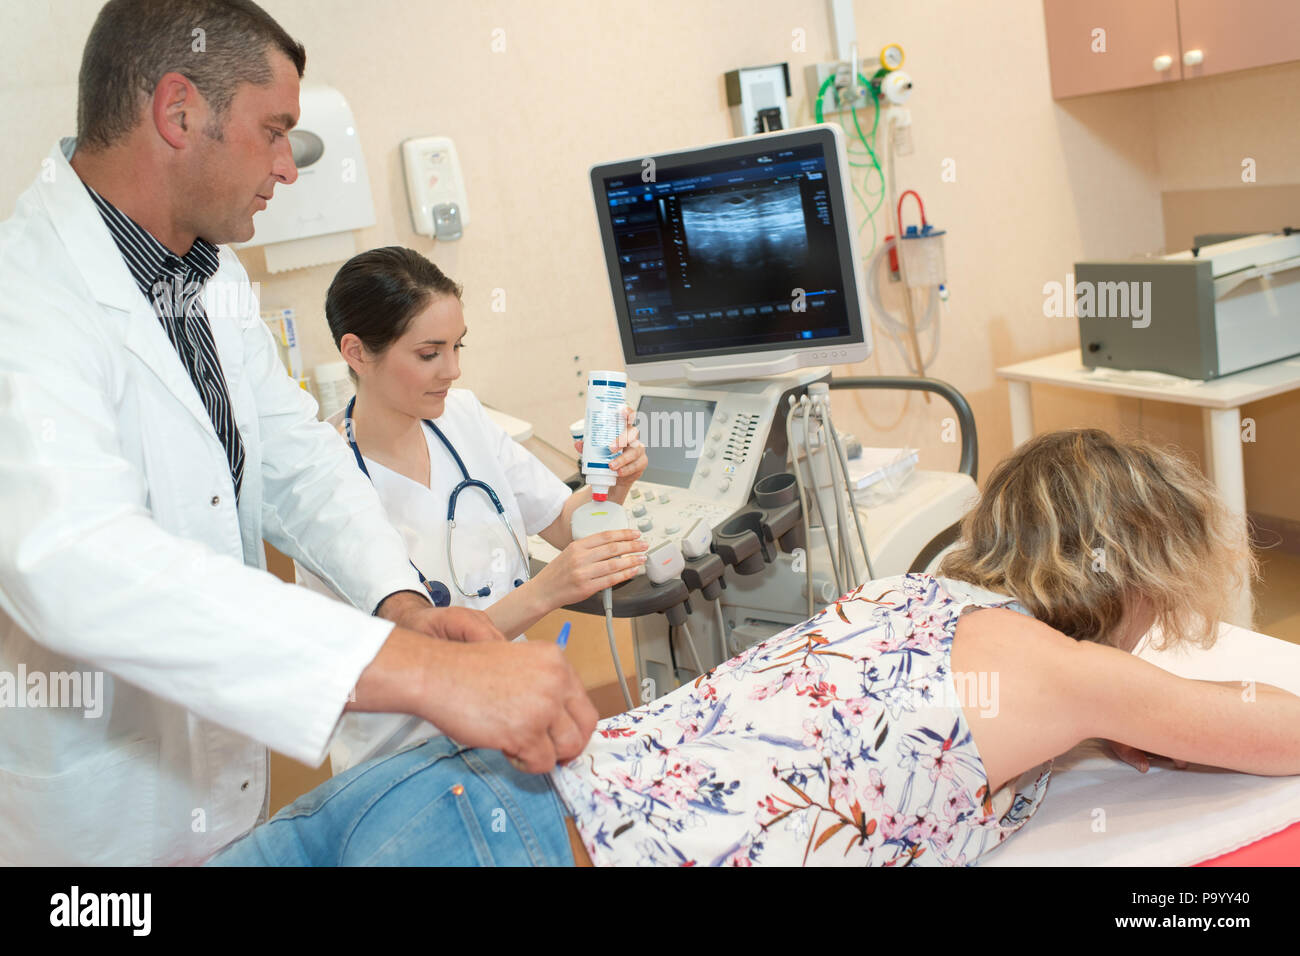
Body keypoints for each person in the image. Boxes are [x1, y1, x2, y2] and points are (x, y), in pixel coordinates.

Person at [0, 0, 593, 866]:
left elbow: (296, 461)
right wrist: (423, 676)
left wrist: (403, 610)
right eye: (274, 131)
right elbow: (73, 563)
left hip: (220, 792)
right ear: (178, 111)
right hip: (98, 829)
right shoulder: (26, 299)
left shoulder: (210, 279)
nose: (288, 166)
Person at [212, 428, 1300, 867]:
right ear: (1136, 566)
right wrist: (1148, 701)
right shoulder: (1066, 670)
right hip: (517, 843)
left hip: (444, 787)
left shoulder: (903, 590)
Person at [299, 247, 650, 771]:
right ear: (356, 353)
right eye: (429, 353)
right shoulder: (321, 479)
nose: (453, 370)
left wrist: (613, 483)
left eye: (457, 347)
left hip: (511, 718)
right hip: (406, 755)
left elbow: (562, 524)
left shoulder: (461, 416)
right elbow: (404, 658)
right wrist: (547, 591)